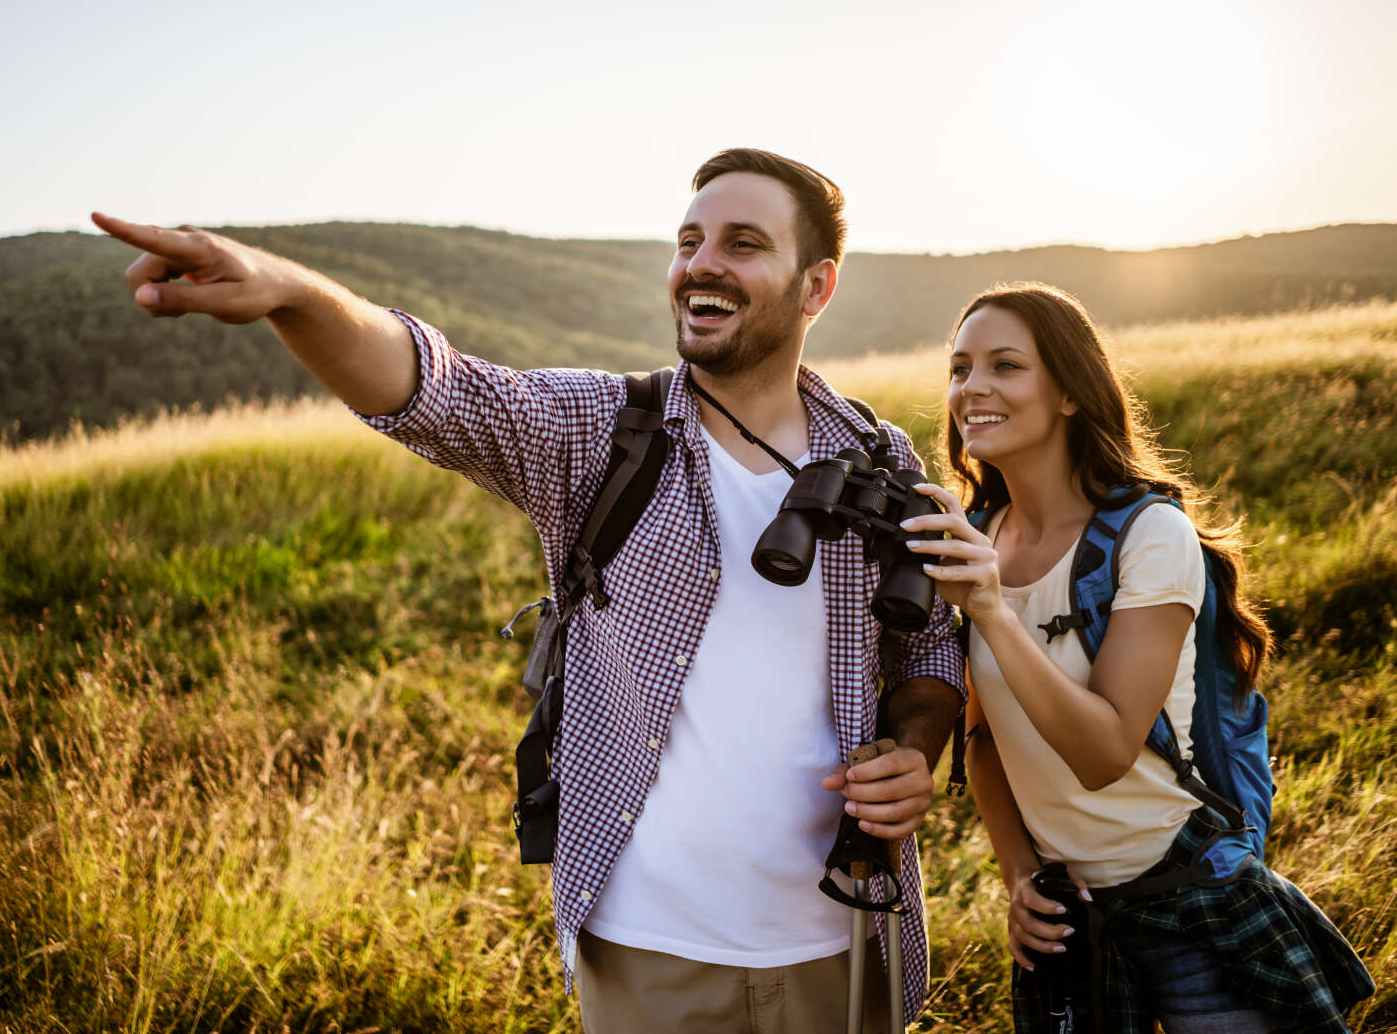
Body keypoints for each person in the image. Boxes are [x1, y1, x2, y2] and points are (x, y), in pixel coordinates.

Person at [92, 148, 965, 1032]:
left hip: (845, 939)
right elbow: (434, 389)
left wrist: (917, 746)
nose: (701, 264)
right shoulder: (603, 435)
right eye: (689, 240)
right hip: (651, 954)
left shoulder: (879, 455)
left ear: (815, 288)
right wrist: (292, 293)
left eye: (742, 244)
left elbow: (930, 646)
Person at [899, 283, 1373, 1033]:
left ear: (1069, 394)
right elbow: (984, 739)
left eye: (1005, 366)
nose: (971, 388)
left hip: (1188, 893)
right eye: (960, 369)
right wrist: (1020, 875)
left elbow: (1105, 752)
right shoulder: (975, 533)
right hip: (1073, 920)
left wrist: (990, 609)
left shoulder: (1149, 535)